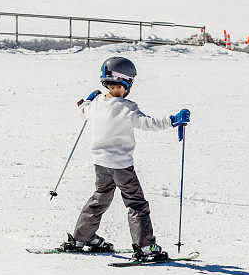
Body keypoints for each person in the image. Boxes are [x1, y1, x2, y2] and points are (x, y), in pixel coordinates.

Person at [61, 56, 190, 259]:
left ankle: (80, 238)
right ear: (125, 82)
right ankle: (146, 247)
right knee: (136, 204)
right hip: (121, 166)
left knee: (99, 198)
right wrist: (173, 120)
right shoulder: (127, 108)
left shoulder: (95, 104)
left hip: (100, 164)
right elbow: (148, 123)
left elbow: (82, 110)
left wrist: (87, 99)